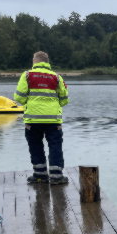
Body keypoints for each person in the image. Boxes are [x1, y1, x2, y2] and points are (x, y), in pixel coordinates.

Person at [14, 51, 70, 184]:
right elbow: (64, 100)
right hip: (53, 119)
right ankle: (56, 176)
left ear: (35, 61)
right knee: (55, 145)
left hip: (33, 119)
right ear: (47, 62)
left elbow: (19, 97)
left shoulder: (27, 75)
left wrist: (31, 102)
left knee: (35, 145)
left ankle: (40, 175)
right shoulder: (57, 77)